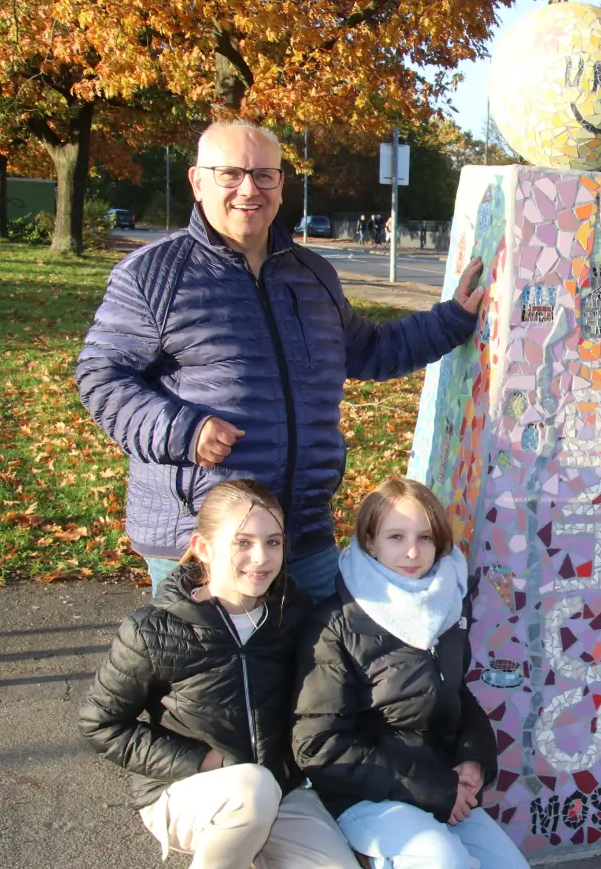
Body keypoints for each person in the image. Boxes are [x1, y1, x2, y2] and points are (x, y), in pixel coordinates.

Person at [76, 119, 485, 601]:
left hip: (303, 530)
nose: (248, 189)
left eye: (263, 175)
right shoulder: (153, 274)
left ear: (280, 184)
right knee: (216, 675)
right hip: (206, 537)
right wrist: (185, 432)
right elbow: (101, 377)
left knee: (320, 670)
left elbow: (370, 351)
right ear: (197, 181)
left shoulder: (312, 274)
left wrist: (453, 319)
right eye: (230, 174)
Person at [79, 480, 359, 869]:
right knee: (252, 790)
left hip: (279, 788)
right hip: (184, 790)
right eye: (242, 542)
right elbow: (102, 724)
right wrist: (206, 761)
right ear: (203, 548)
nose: (261, 558)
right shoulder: (154, 630)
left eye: (273, 542)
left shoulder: (292, 613)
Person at [292, 477, 524, 869]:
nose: (413, 552)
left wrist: (473, 758)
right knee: (443, 861)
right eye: (396, 537)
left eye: (426, 538)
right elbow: (317, 745)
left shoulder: (447, 604)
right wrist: (433, 790)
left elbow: (453, 692)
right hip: (365, 794)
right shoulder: (335, 623)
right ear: (369, 542)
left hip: (440, 784)